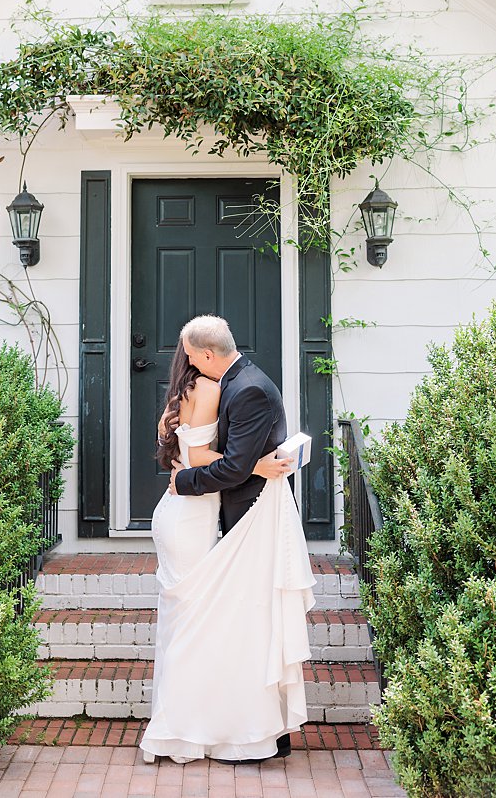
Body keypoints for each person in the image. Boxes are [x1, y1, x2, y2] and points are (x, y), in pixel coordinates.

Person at [139, 315, 316, 764]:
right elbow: (237, 463)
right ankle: (235, 726)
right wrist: (249, 466)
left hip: (248, 514)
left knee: (237, 620)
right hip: (215, 515)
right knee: (231, 622)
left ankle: (251, 727)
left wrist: (189, 481)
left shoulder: (246, 388)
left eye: (193, 355)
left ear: (207, 354)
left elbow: (235, 466)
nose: (190, 363)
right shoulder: (230, 383)